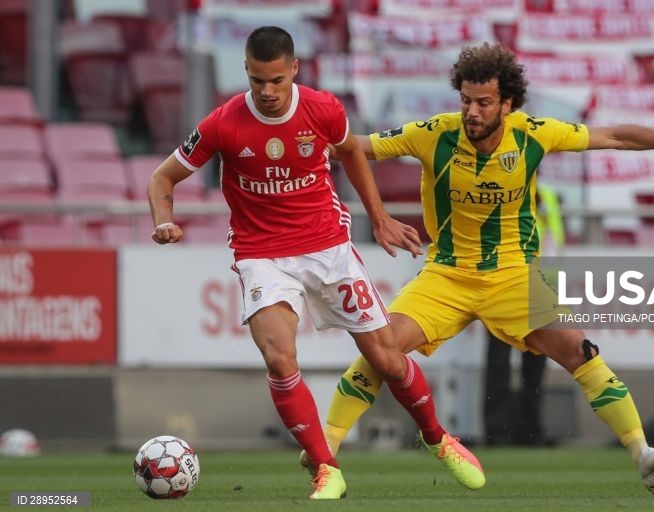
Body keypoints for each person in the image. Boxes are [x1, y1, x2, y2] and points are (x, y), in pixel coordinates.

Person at [302, 42, 654, 493]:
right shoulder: (434, 133)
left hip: (513, 275)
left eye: (483, 102)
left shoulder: (534, 133)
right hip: (446, 275)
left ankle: (643, 455)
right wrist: (299, 136)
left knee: (579, 349)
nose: (471, 112)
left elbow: (617, 137)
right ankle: (325, 452)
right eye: (466, 100)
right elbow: (353, 147)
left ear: (507, 103)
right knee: (381, 351)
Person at [146, 26, 485, 500]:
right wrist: (164, 221)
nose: (267, 91)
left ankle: (437, 438)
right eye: (258, 80)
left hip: (328, 249)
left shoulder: (323, 109)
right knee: (279, 357)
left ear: (294, 70)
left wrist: (379, 217)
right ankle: (326, 468)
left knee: (388, 359)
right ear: (246, 71)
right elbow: (162, 178)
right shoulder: (222, 123)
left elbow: (351, 153)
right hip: (262, 255)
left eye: (276, 80)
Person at [484, 184, 562, 447]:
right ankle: (496, 431)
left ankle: (531, 431)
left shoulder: (548, 195)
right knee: (499, 362)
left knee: (536, 362)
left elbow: (554, 242)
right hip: (504, 285)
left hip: (540, 288)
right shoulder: (503, 188)